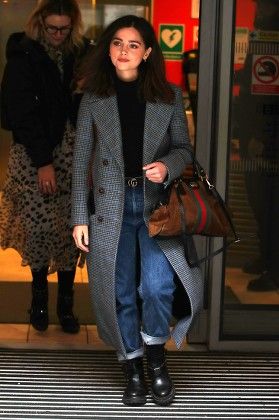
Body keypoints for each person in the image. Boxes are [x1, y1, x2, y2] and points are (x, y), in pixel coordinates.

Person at [72, 15, 203, 406]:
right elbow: (81, 162)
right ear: (108, 49)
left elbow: (185, 150)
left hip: (156, 208)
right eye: (117, 43)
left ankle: (157, 362)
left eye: (133, 44)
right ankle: (132, 367)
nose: (123, 51)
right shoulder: (93, 99)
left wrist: (168, 166)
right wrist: (79, 215)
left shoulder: (170, 96)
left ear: (147, 52)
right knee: (121, 291)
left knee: (158, 286)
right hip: (108, 209)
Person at [0, 0, 91, 333]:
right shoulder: (23, 56)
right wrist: (43, 163)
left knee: (71, 229)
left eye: (63, 29)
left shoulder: (79, 55)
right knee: (37, 229)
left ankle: (65, 306)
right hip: (35, 156)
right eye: (51, 28)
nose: (57, 35)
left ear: (73, 25)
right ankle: (38, 302)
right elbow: (22, 115)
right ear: (39, 23)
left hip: (73, 153)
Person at [235, 0, 279, 291]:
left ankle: (274, 269)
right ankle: (266, 257)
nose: (259, 8)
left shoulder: (273, 40)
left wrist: (264, 137)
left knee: (271, 207)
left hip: (267, 141)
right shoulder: (262, 36)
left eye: (266, 4)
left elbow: (271, 97)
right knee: (258, 203)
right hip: (254, 136)